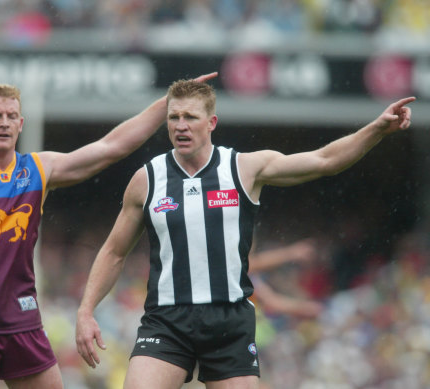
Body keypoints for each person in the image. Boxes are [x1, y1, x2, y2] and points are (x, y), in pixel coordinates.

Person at [75, 79, 415, 388]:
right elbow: (114, 252)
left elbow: (324, 160)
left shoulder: (243, 168)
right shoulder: (147, 179)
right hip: (167, 320)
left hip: (229, 320)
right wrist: (86, 310)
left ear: (211, 123)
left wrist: (375, 130)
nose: (181, 125)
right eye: (174, 117)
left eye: (191, 117)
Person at [0, 72, 218, 389]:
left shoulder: (37, 169)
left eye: (11, 116)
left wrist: (167, 104)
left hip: (23, 321)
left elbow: (110, 147)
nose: (4, 123)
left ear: (21, 124)